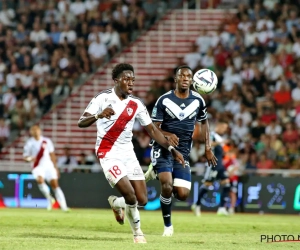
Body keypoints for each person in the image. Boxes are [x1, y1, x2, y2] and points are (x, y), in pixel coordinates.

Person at [77, 63, 184, 244]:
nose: (131, 82)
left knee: (142, 199)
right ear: (116, 80)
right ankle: (138, 234)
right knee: (131, 196)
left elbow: (152, 130)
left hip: (128, 153)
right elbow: (81, 122)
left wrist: (171, 149)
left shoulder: (136, 104)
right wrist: (98, 115)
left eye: (133, 79)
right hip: (108, 153)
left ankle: (115, 203)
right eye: (127, 79)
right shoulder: (102, 98)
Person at [144, 65, 217, 236]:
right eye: (182, 75)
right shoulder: (164, 100)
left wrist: (208, 147)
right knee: (167, 185)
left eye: (188, 76)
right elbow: (153, 128)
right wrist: (168, 134)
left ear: (192, 80)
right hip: (163, 149)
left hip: (183, 152)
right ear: (175, 79)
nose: (185, 78)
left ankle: (155, 172)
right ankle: (168, 226)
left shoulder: (198, 100)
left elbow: (205, 123)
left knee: (182, 194)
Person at [23, 124, 69, 211]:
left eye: (37, 129)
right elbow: (25, 157)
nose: (35, 131)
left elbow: (52, 155)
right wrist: (30, 159)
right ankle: (50, 198)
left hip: (48, 165)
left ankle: (64, 207)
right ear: (31, 132)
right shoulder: (29, 143)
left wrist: (56, 168)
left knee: (55, 185)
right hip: (37, 166)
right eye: (33, 130)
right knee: (40, 180)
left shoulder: (46, 141)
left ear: (40, 131)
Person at [191, 121, 230, 216]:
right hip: (213, 164)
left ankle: (221, 208)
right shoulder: (212, 134)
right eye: (224, 127)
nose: (225, 130)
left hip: (220, 165)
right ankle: (197, 205)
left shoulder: (220, 137)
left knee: (227, 184)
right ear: (219, 126)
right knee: (207, 184)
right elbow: (209, 144)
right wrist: (221, 142)